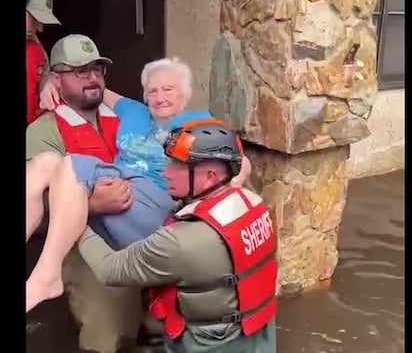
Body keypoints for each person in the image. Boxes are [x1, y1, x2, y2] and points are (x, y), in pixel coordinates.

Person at [73, 119, 278, 353]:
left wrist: (78, 217)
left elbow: (109, 268)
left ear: (210, 175)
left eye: (178, 165)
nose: (166, 171)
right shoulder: (254, 204)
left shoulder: (180, 241)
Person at [25, 57, 252, 312]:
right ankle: (45, 272)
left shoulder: (199, 124)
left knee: (70, 165)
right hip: (120, 191)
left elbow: (239, 163)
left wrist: (205, 213)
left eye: (168, 89)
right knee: (44, 162)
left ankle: (47, 275)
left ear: (185, 94)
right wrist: (50, 85)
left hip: (157, 208)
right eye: (152, 90)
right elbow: (94, 86)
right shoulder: (133, 111)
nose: (159, 97)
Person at [26, 33, 143, 353]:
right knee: (105, 349)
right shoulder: (43, 132)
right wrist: (92, 205)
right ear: (57, 79)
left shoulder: (120, 115)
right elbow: (36, 213)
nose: (92, 79)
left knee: (154, 334)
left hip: (135, 235)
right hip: (86, 242)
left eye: (97, 70)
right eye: (80, 71)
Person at [25, 0, 59, 125]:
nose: (39, 28)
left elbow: (44, 76)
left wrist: (47, 85)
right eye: (35, 18)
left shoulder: (35, 47)